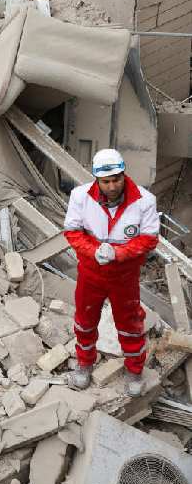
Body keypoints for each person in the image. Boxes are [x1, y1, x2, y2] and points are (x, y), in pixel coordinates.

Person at [64, 149, 159, 396]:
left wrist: (120, 253)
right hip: (91, 273)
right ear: (96, 179)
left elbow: (149, 239)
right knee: (85, 321)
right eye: (105, 181)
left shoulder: (144, 200)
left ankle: (134, 371)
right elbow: (72, 232)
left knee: (130, 324)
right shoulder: (80, 197)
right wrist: (93, 250)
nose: (112, 186)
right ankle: (84, 364)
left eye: (116, 179)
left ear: (123, 174)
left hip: (124, 276)